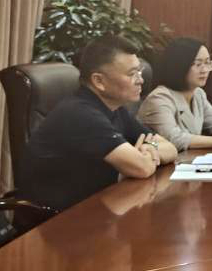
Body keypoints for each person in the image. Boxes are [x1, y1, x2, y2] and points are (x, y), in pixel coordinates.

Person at [18, 35, 178, 214]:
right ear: (99, 81)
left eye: (139, 72)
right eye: (132, 74)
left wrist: (150, 148)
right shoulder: (80, 114)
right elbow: (142, 168)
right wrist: (147, 155)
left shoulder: (115, 109)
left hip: (96, 207)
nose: (140, 79)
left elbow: (171, 148)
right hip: (56, 219)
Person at [138, 38, 212, 152]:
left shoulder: (198, 94)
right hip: (160, 164)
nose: (204, 70)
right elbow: (175, 139)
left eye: (207, 63)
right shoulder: (159, 98)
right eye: (198, 64)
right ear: (179, 66)